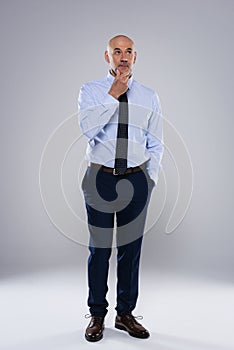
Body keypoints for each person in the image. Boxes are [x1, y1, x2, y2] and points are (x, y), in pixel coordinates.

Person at [78, 34, 163, 342]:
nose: (123, 56)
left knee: (130, 250)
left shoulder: (149, 95)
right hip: (100, 177)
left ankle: (125, 314)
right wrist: (114, 93)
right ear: (107, 57)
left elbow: (157, 140)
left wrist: (149, 179)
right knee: (99, 249)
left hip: (136, 179)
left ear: (135, 57)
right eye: (117, 51)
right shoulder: (90, 91)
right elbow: (87, 128)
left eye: (128, 51)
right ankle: (97, 315)